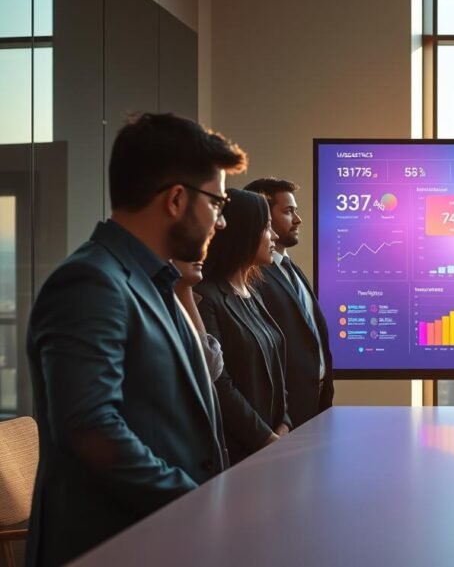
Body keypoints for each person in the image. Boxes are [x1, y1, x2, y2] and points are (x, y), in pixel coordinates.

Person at [25, 113, 246, 566]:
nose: (220, 222)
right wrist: (194, 501)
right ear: (177, 200)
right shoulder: (92, 282)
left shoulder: (156, 282)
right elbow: (90, 428)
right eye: (217, 204)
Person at [196, 188, 291, 464]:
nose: (274, 236)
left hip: (272, 448)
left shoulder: (254, 293)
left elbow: (276, 367)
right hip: (239, 456)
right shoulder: (208, 297)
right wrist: (266, 438)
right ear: (244, 233)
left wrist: (284, 424)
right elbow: (219, 384)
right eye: (267, 228)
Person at [244, 177, 334, 427]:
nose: (298, 219)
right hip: (282, 417)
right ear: (263, 215)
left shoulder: (290, 268)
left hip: (314, 406)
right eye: (288, 211)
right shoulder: (253, 274)